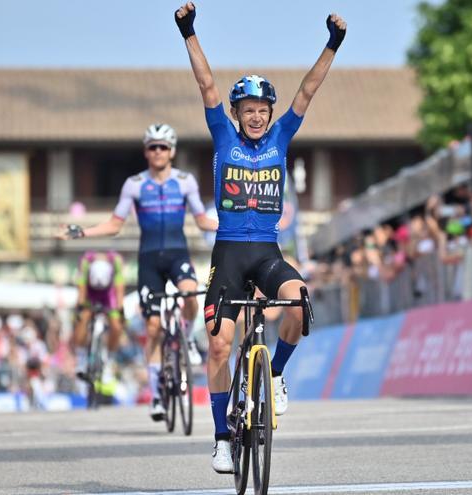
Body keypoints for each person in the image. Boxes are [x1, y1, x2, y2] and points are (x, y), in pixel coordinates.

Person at [174, 1, 346, 473]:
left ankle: (275, 373)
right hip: (228, 254)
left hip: (267, 252)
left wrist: (332, 43)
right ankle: (222, 439)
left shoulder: (281, 137)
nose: (255, 116)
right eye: (247, 110)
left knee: (299, 303)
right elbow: (206, 84)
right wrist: (189, 32)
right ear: (236, 113)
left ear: (270, 113)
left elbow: (309, 90)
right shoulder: (222, 136)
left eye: (262, 109)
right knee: (218, 345)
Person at [58, 123, 217, 421]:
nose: (158, 151)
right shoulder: (134, 184)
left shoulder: (185, 182)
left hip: (177, 253)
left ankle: (189, 338)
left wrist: (239, 227)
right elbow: (115, 225)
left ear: (172, 151)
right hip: (148, 260)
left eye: (164, 147)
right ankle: (157, 395)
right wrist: (82, 232)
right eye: (153, 146)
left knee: (190, 292)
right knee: (154, 327)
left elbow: (203, 221)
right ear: (146, 151)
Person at [73, 250, 125, 379]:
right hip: (90, 293)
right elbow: (81, 287)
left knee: (117, 327)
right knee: (82, 319)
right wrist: (80, 308)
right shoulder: (85, 262)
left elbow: (119, 287)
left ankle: (109, 358)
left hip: (109, 294)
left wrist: (120, 309)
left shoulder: (116, 261)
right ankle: (81, 358)